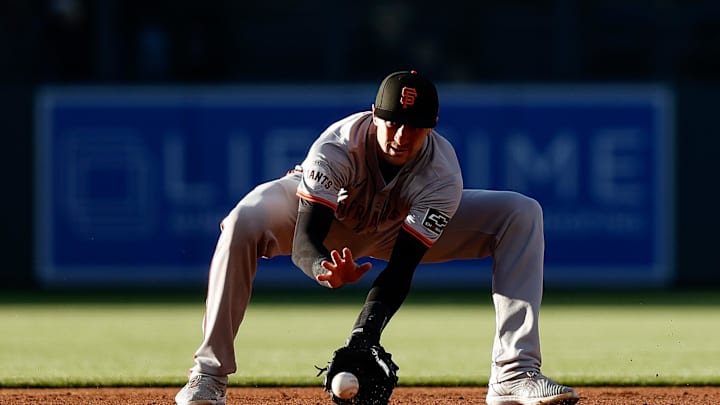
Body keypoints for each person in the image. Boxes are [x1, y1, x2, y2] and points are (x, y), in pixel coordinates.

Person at [174, 70, 580, 405]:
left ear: (431, 129)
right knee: (242, 219)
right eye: (393, 122)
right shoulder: (337, 147)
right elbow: (306, 238)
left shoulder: (441, 173)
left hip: (394, 227)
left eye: (415, 127)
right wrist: (321, 267)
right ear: (373, 115)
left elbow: (402, 266)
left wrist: (363, 336)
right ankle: (208, 375)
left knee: (520, 212)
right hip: (319, 217)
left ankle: (514, 373)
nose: (401, 135)